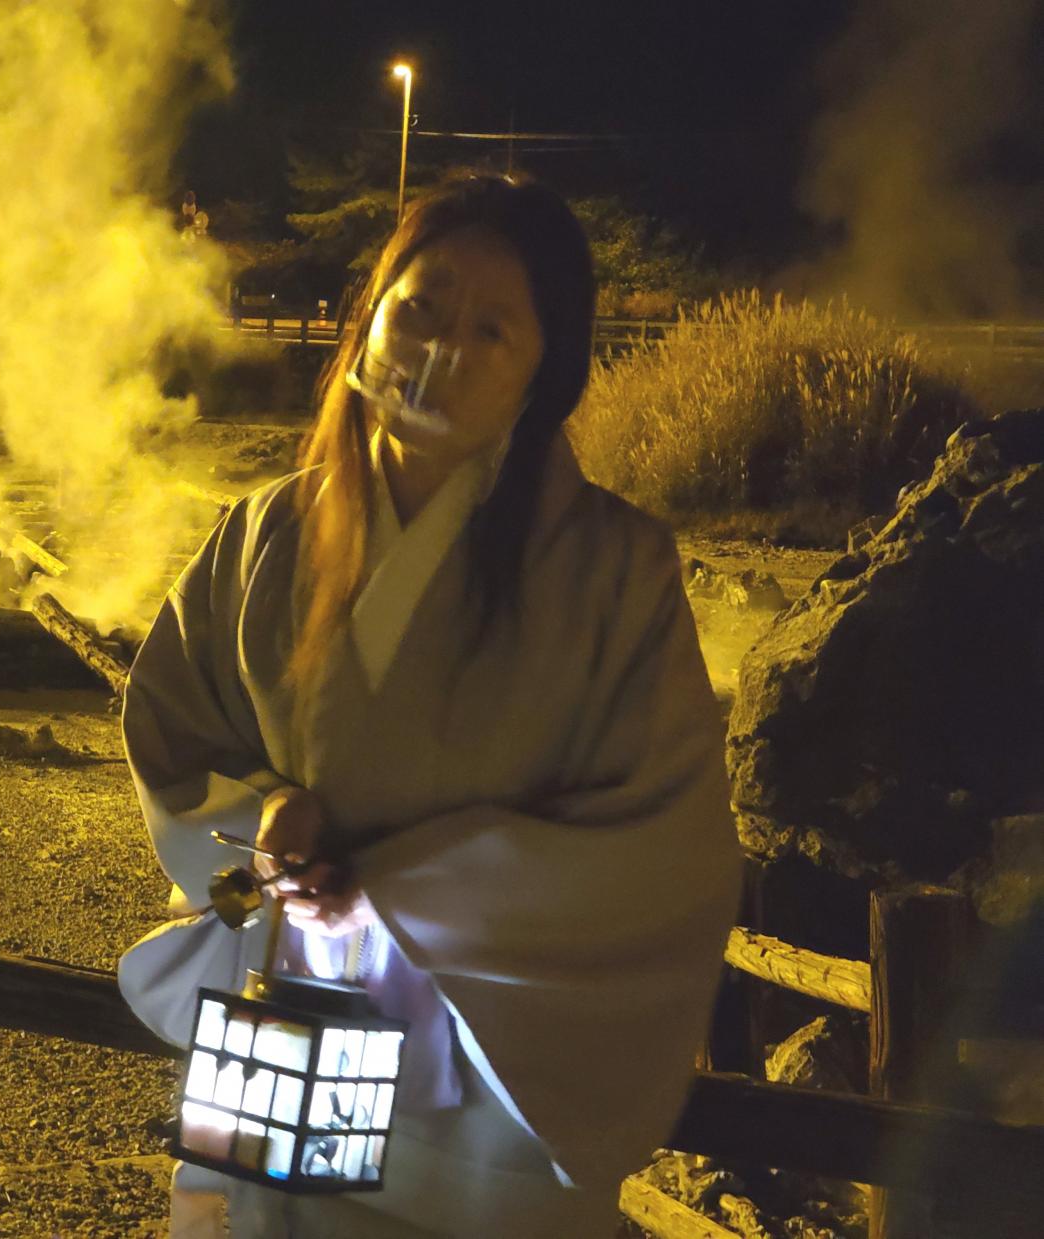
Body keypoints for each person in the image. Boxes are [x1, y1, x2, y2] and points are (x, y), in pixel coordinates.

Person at [117, 175, 742, 1238]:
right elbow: (176, 728)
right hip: (287, 1022)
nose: (441, 349)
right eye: (420, 308)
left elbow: (663, 845)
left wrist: (405, 886)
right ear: (369, 318)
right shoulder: (263, 533)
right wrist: (261, 819)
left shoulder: (616, 574)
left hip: (487, 1048)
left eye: (491, 328)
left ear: (544, 372)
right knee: (264, 1226)